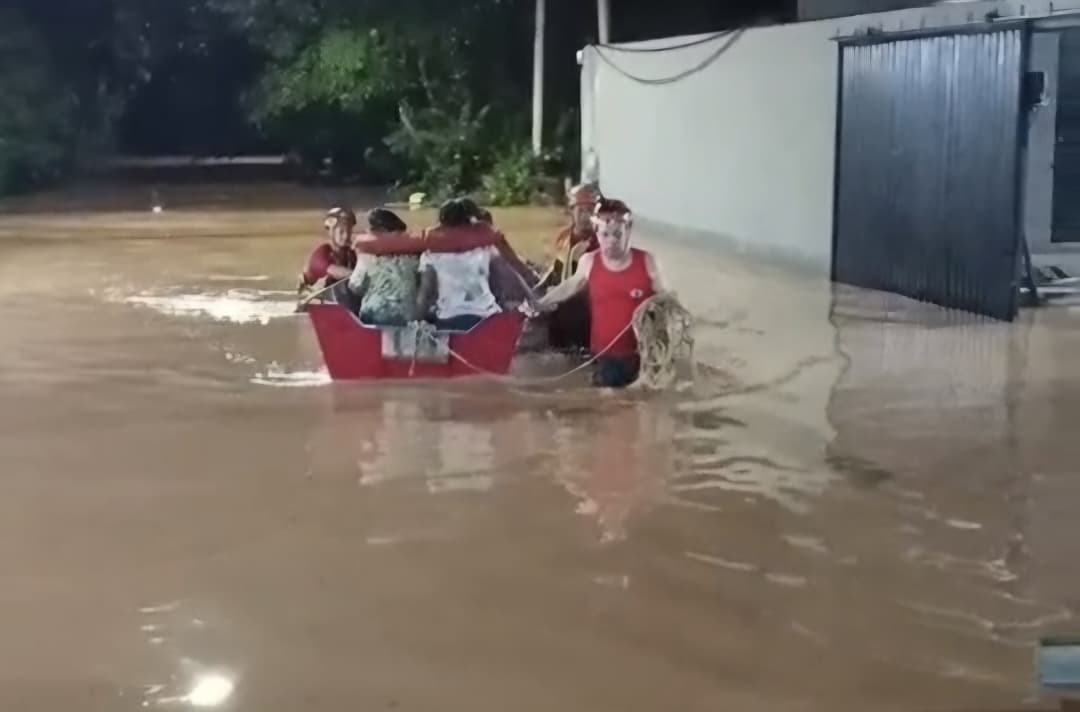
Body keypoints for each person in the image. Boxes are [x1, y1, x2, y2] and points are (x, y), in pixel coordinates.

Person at [528, 198, 663, 388]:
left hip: (641, 359)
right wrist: (539, 304)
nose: (611, 241)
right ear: (597, 233)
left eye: (617, 234)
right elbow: (570, 286)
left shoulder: (647, 262)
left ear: (628, 231)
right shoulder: (589, 261)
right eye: (605, 235)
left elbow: (666, 302)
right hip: (602, 358)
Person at [415, 198, 504, 331]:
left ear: (442, 222)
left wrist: (415, 321)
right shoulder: (485, 247)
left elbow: (426, 294)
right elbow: (498, 285)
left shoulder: (430, 254)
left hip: (450, 318)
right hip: (488, 317)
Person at [337, 208, 419, 326]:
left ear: (376, 232)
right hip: (407, 318)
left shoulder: (367, 257)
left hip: (374, 316)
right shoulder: (413, 256)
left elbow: (355, 286)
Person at [297, 207, 358, 298]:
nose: (346, 236)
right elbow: (334, 271)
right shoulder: (321, 254)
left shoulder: (351, 254)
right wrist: (361, 277)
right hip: (316, 297)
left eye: (349, 231)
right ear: (331, 232)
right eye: (341, 232)